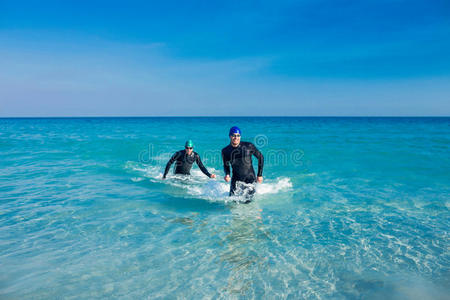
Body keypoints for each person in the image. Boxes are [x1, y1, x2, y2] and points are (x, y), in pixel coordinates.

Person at [222, 126, 264, 199]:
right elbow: (226, 165)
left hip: (250, 179)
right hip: (236, 180)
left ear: (240, 136)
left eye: (238, 136)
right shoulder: (225, 150)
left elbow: (261, 157)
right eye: (234, 135)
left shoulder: (248, 146)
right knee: (231, 201)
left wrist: (259, 175)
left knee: (248, 202)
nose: (236, 138)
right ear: (230, 136)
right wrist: (227, 174)